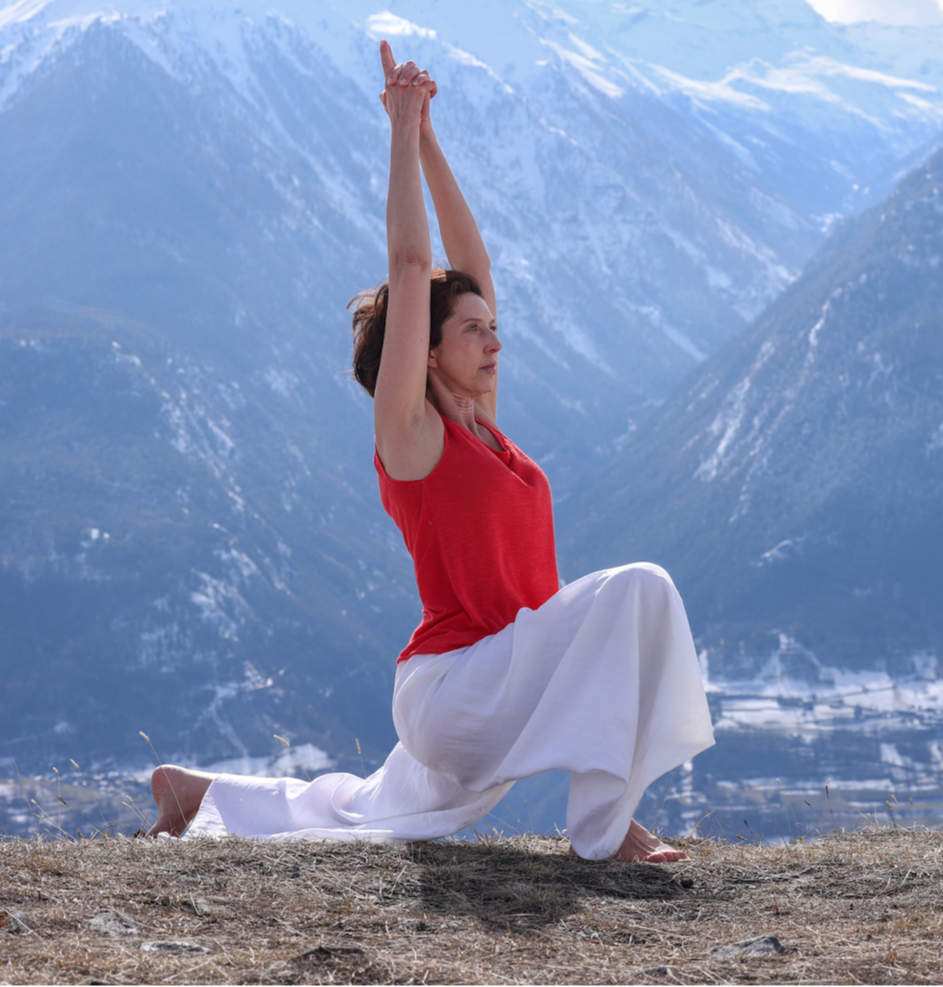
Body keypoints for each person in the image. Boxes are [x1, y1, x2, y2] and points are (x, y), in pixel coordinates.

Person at [147, 41, 714, 861]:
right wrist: (399, 131)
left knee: (360, 813)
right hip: (457, 688)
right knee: (641, 589)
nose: (493, 342)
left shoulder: (483, 422)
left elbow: (467, 264)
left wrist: (432, 139)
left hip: (496, 677)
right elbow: (416, 267)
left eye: (495, 328)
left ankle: (197, 793)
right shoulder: (410, 438)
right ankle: (606, 830)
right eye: (472, 331)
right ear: (428, 350)